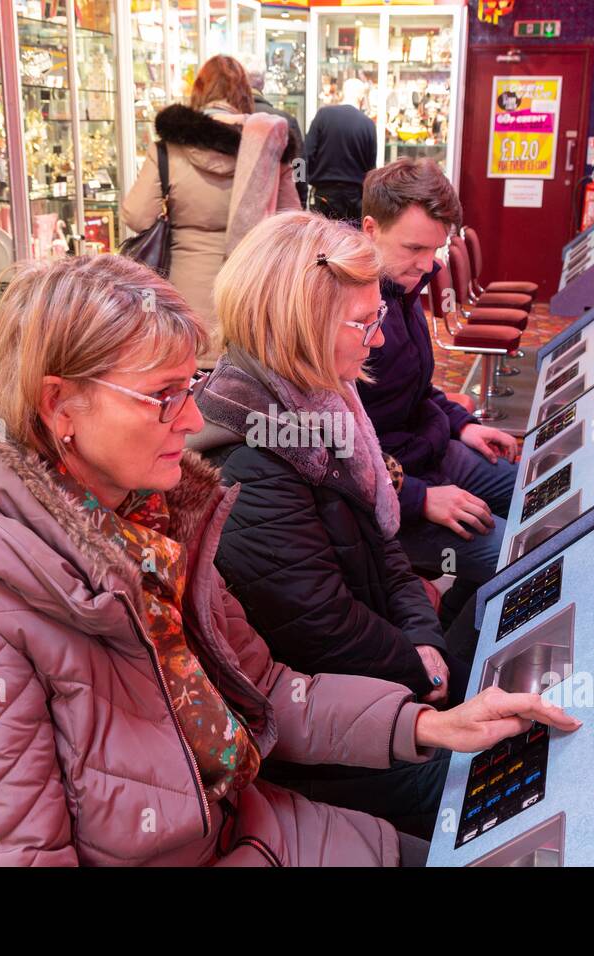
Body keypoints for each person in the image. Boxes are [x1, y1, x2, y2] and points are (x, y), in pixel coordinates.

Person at [0, 252, 581, 867]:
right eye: (163, 396)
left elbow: (268, 687)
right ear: (59, 405)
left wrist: (427, 724)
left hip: (246, 821)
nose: (191, 421)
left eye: (191, 387)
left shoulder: (150, 522)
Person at [192, 212, 480, 836]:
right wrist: (419, 667)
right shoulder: (252, 453)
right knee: (484, 784)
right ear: (300, 320)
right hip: (318, 735)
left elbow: (385, 546)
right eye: (363, 323)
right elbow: (318, 631)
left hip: (374, 676)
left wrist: (424, 641)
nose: (378, 340)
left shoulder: (329, 401)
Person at [356, 159, 520, 624]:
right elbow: (334, 452)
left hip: (429, 451)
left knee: (536, 495)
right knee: (518, 554)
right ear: (370, 229)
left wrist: (461, 423)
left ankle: (453, 611)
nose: (427, 264)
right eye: (413, 247)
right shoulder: (344, 309)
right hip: (390, 492)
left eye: (435, 249)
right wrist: (421, 499)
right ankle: (462, 666)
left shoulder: (403, 285)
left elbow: (414, 389)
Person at [121, 55, 300, 366]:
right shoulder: (269, 147)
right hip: (247, 300)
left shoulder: (168, 148)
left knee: (183, 393)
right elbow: (291, 224)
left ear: (199, 93)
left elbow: (136, 216)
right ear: (244, 95)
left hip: (182, 305)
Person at [303, 82, 377, 223]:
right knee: (350, 242)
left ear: (342, 93)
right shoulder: (368, 124)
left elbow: (303, 156)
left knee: (322, 241)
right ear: (361, 97)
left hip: (324, 194)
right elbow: (371, 171)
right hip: (354, 198)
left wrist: (300, 186)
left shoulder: (323, 115)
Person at [246, 62, 305, 206]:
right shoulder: (285, 119)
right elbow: (299, 162)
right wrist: (301, 195)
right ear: (263, 84)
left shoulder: (235, 117)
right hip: (278, 206)